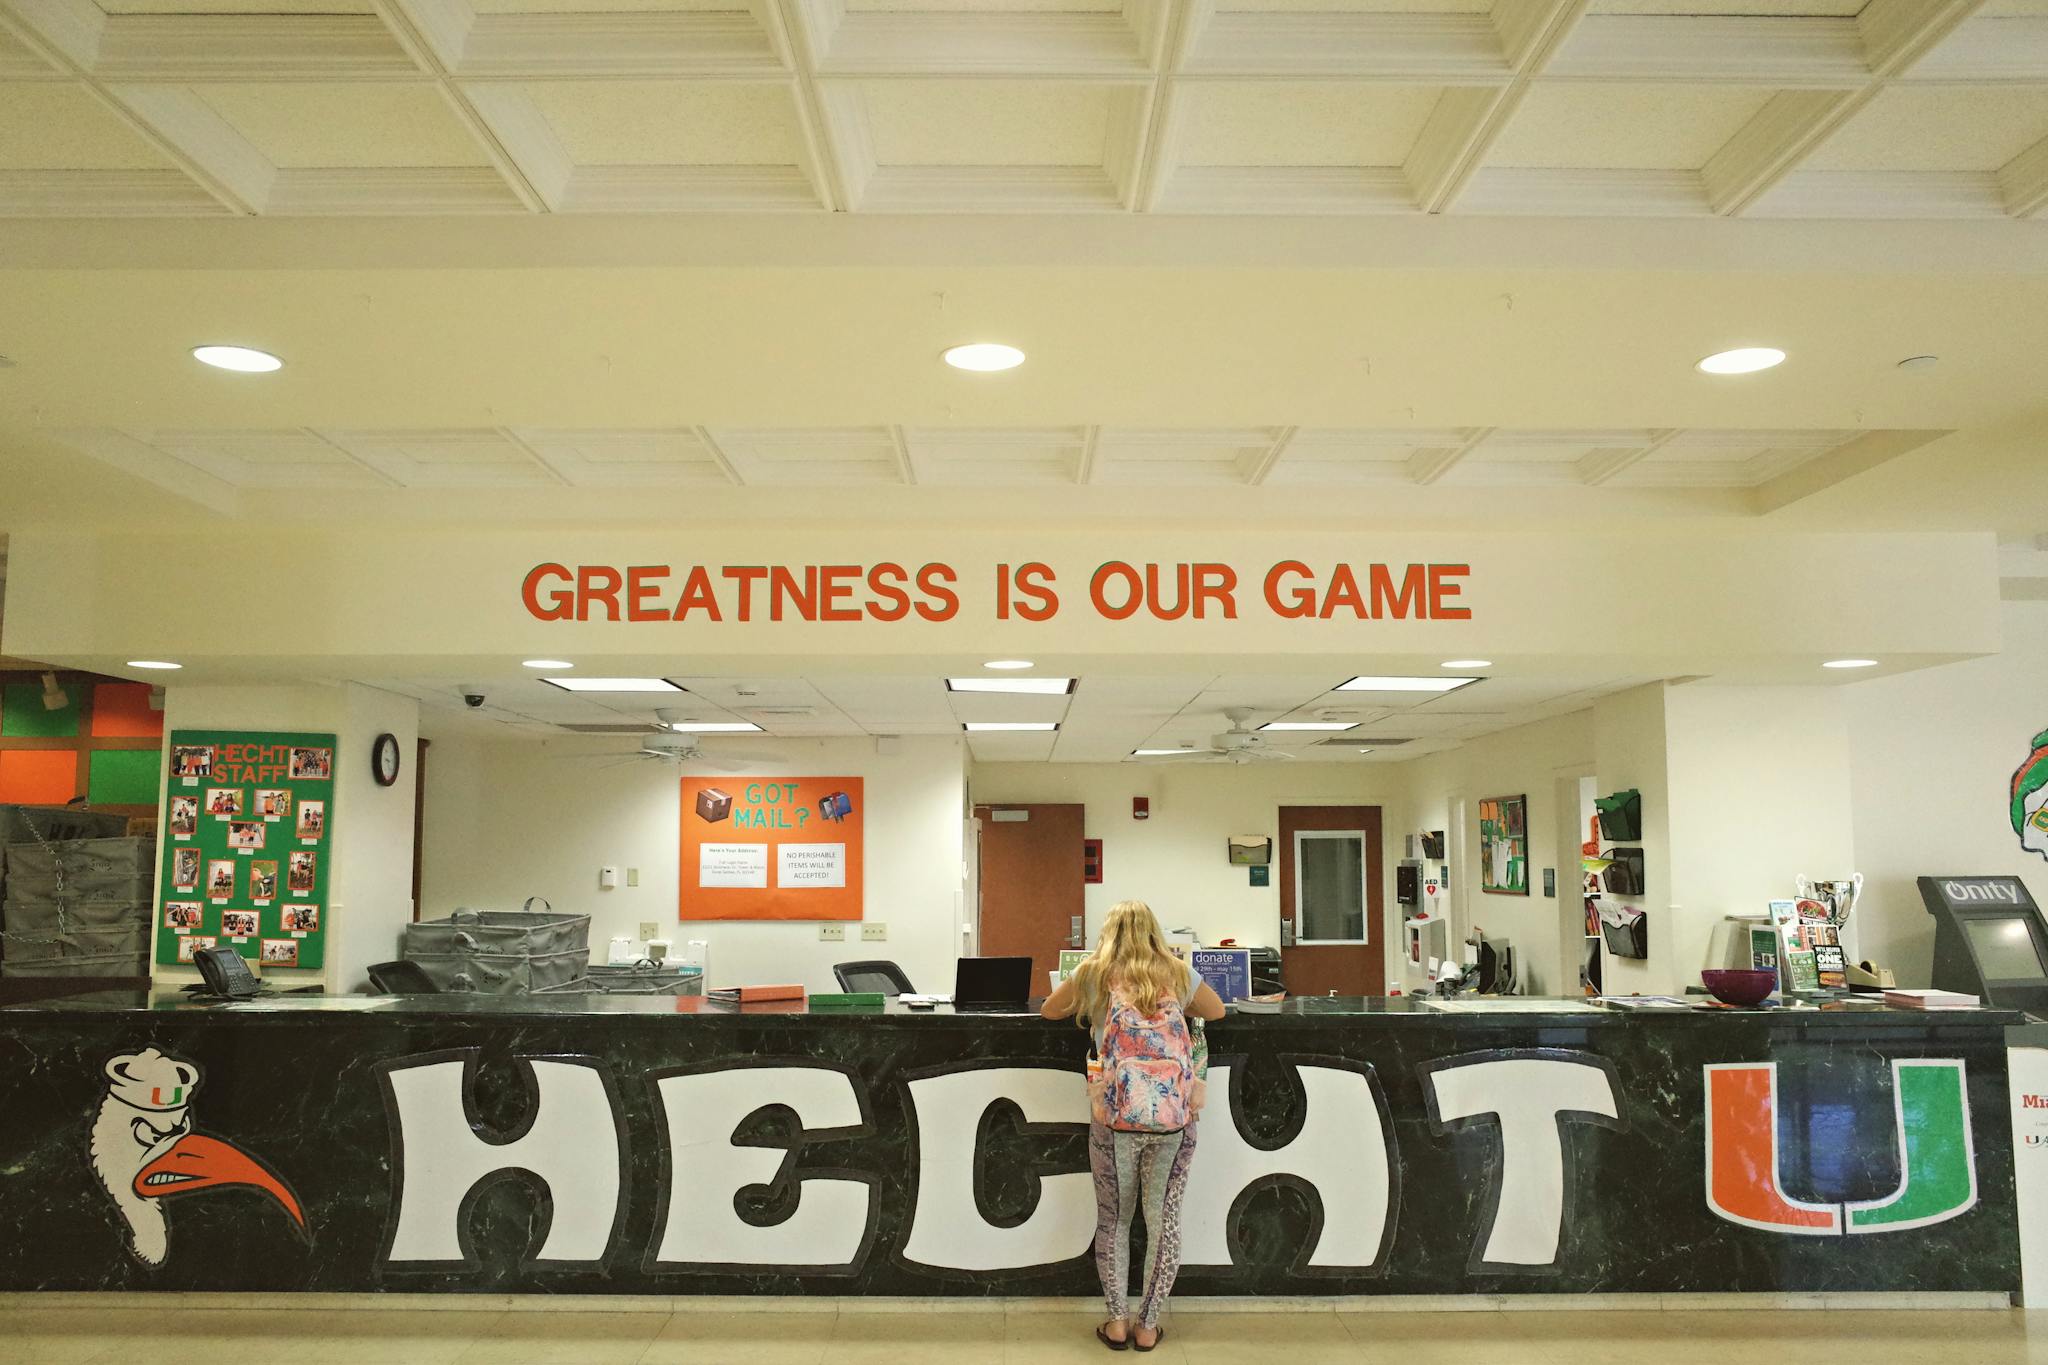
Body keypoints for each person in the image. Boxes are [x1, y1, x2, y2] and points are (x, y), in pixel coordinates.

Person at [1041, 901, 1224, 1352]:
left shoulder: (1094, 972)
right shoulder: (1176, 972)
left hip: (1113, 1119)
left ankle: (1117, 1322)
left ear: (1108, 932)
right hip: (1172, 1122)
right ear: (1153, 932)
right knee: (1164, 1222)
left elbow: (1049, 1010)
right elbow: (1216, 1011)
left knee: (1115, 1221)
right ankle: (1148, 1326)